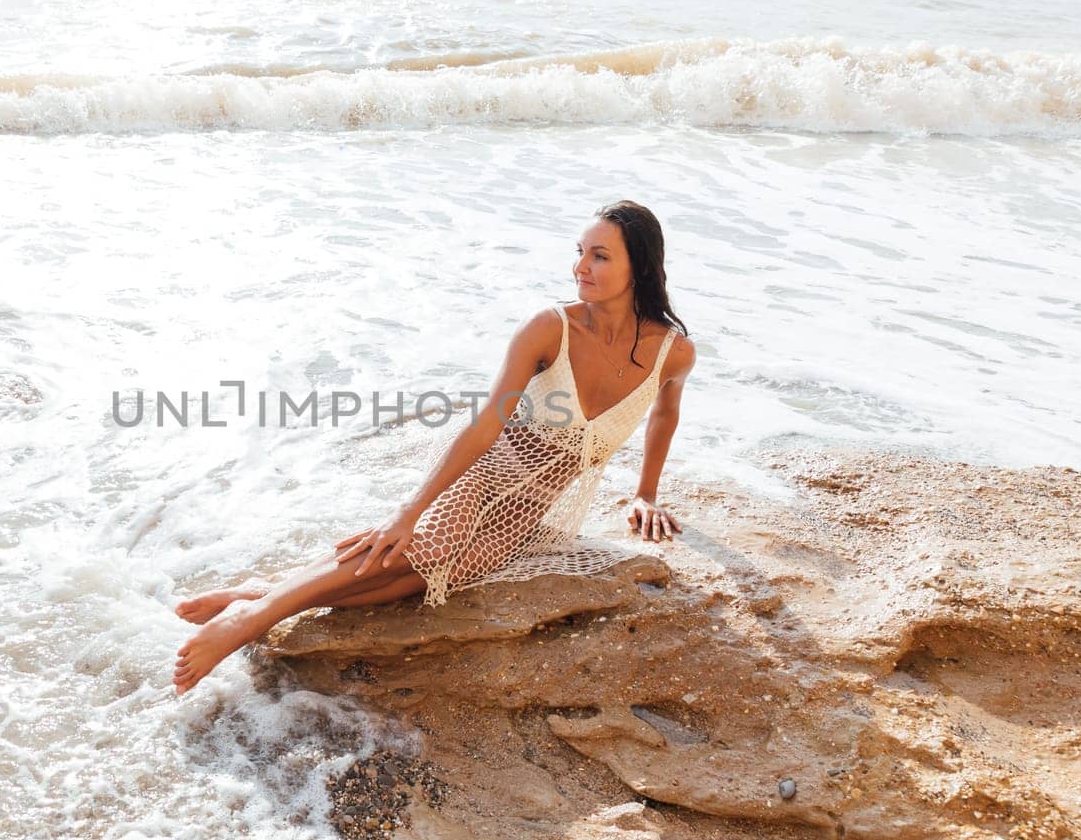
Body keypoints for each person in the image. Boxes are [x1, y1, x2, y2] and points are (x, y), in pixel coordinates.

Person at [173, 200, 696, 695]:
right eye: (579, 252)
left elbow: (664, 413)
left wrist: (644, 493)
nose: (580, 266)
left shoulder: (673, 353)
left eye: (599, 256)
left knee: (428, 577)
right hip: (487, 469)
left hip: (526, 509)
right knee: (427, 547)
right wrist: (409, 511)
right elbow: (484, 425)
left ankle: (261, 594)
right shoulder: (548, 328)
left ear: (641, 267)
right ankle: (252, 617)